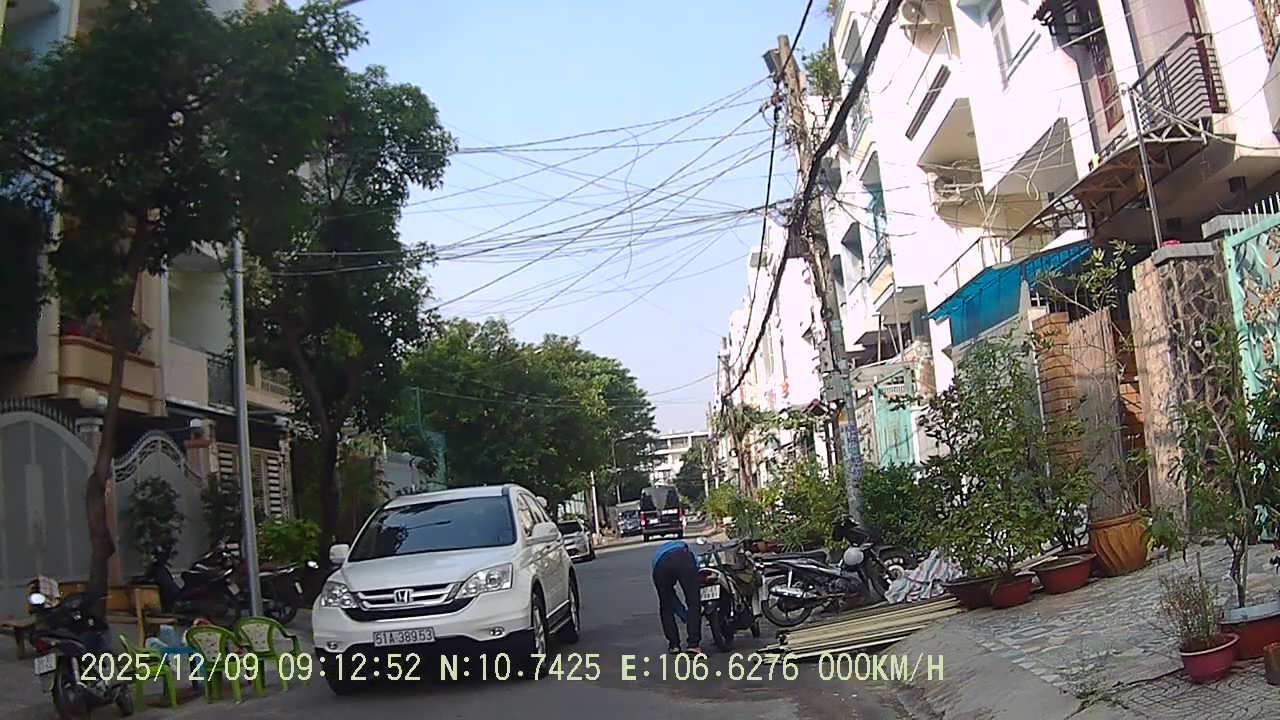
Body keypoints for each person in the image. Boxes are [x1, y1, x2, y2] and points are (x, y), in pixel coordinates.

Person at [651, 539, 702, 654]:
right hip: (684, 561)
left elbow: (670, 597)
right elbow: (697, 570)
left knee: (666, 606)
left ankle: (674, 645)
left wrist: (683, 614)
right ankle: (693, 645)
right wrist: (688, 616)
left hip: (661, 566)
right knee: (693, 602)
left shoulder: (657, 557)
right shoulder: (686, 551)